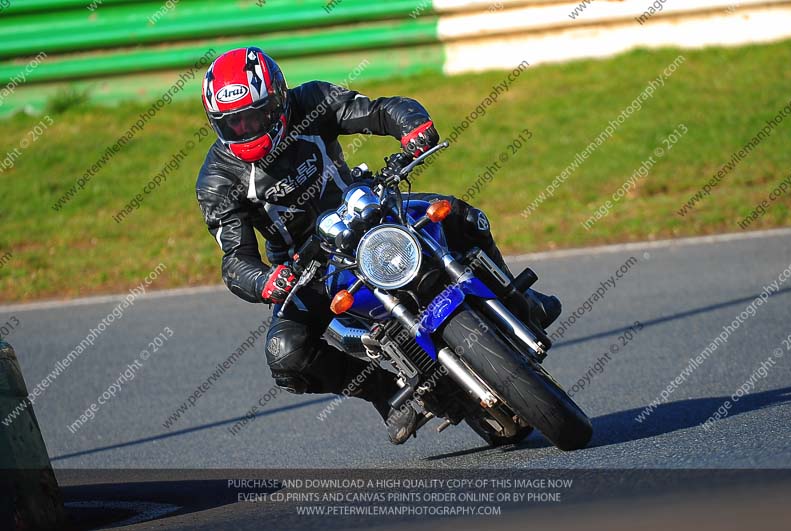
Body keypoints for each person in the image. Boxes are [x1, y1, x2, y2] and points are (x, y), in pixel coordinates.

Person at [195, 47, 561, 444]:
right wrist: (266, 281)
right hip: (307, 266)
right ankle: (387, 395)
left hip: (368, 208)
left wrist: (412, 126)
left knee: (458, 215)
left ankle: (516, 298)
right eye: (234, 123)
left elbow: (380, 110)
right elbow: (235, 259)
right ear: (217, 123)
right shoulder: (217, 180)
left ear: (280, 100)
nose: (247, 129)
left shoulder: (312, 102)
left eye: (256, 116)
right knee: (285, 353)